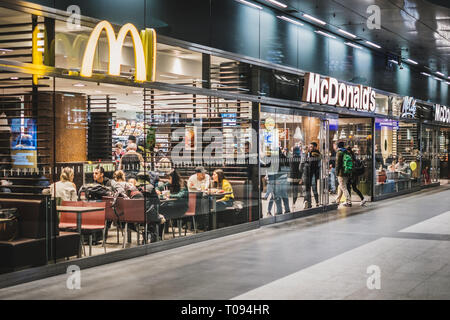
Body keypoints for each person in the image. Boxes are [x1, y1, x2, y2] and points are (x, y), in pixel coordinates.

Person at [299, 142, 321, 209]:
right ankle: (310, 202)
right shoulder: (312, 154)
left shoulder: (314, 154)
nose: (310, 148)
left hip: (312, 173)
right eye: (309, 147)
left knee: (312, 188)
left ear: (315, 147)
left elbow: (309, 164)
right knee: (309, 189)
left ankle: (314, 202)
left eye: (311, 147)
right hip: (310, 173)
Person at [333, 141, 352, 207]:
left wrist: (336, 172)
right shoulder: (346, 151)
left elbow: (338, 164)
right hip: (347, 171)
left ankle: (348, 201)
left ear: (338, 146)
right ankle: (337, 200)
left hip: (341, 172)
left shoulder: (339, 152)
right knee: (341, 186)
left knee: (343, 187)